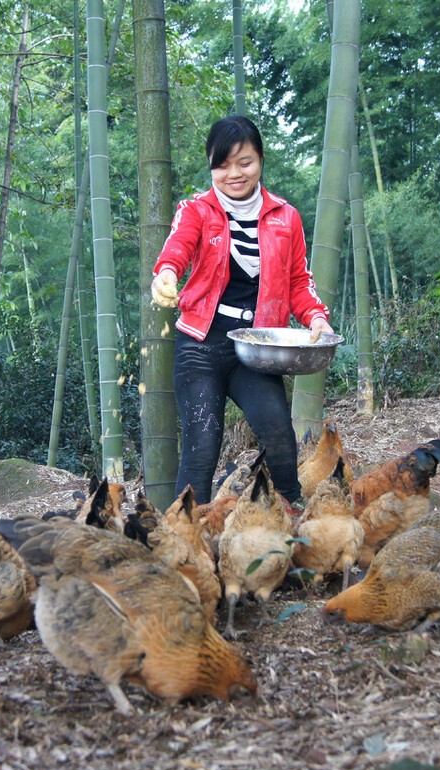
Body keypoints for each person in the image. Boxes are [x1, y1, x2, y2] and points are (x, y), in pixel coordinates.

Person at [150, 115, 334, 507]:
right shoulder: (196, 210)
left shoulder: (286, 217)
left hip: (255, 349)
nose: (234, 173)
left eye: (244, 162)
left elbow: (299, 281)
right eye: (222, 164)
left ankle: (290, 514)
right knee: (201, 447)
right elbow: (177, 250)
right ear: (211, 165)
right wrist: (166, 274)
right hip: (200, 347)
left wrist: (316, 316)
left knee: (279, 433)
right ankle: (184, 535)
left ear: (261, 159)